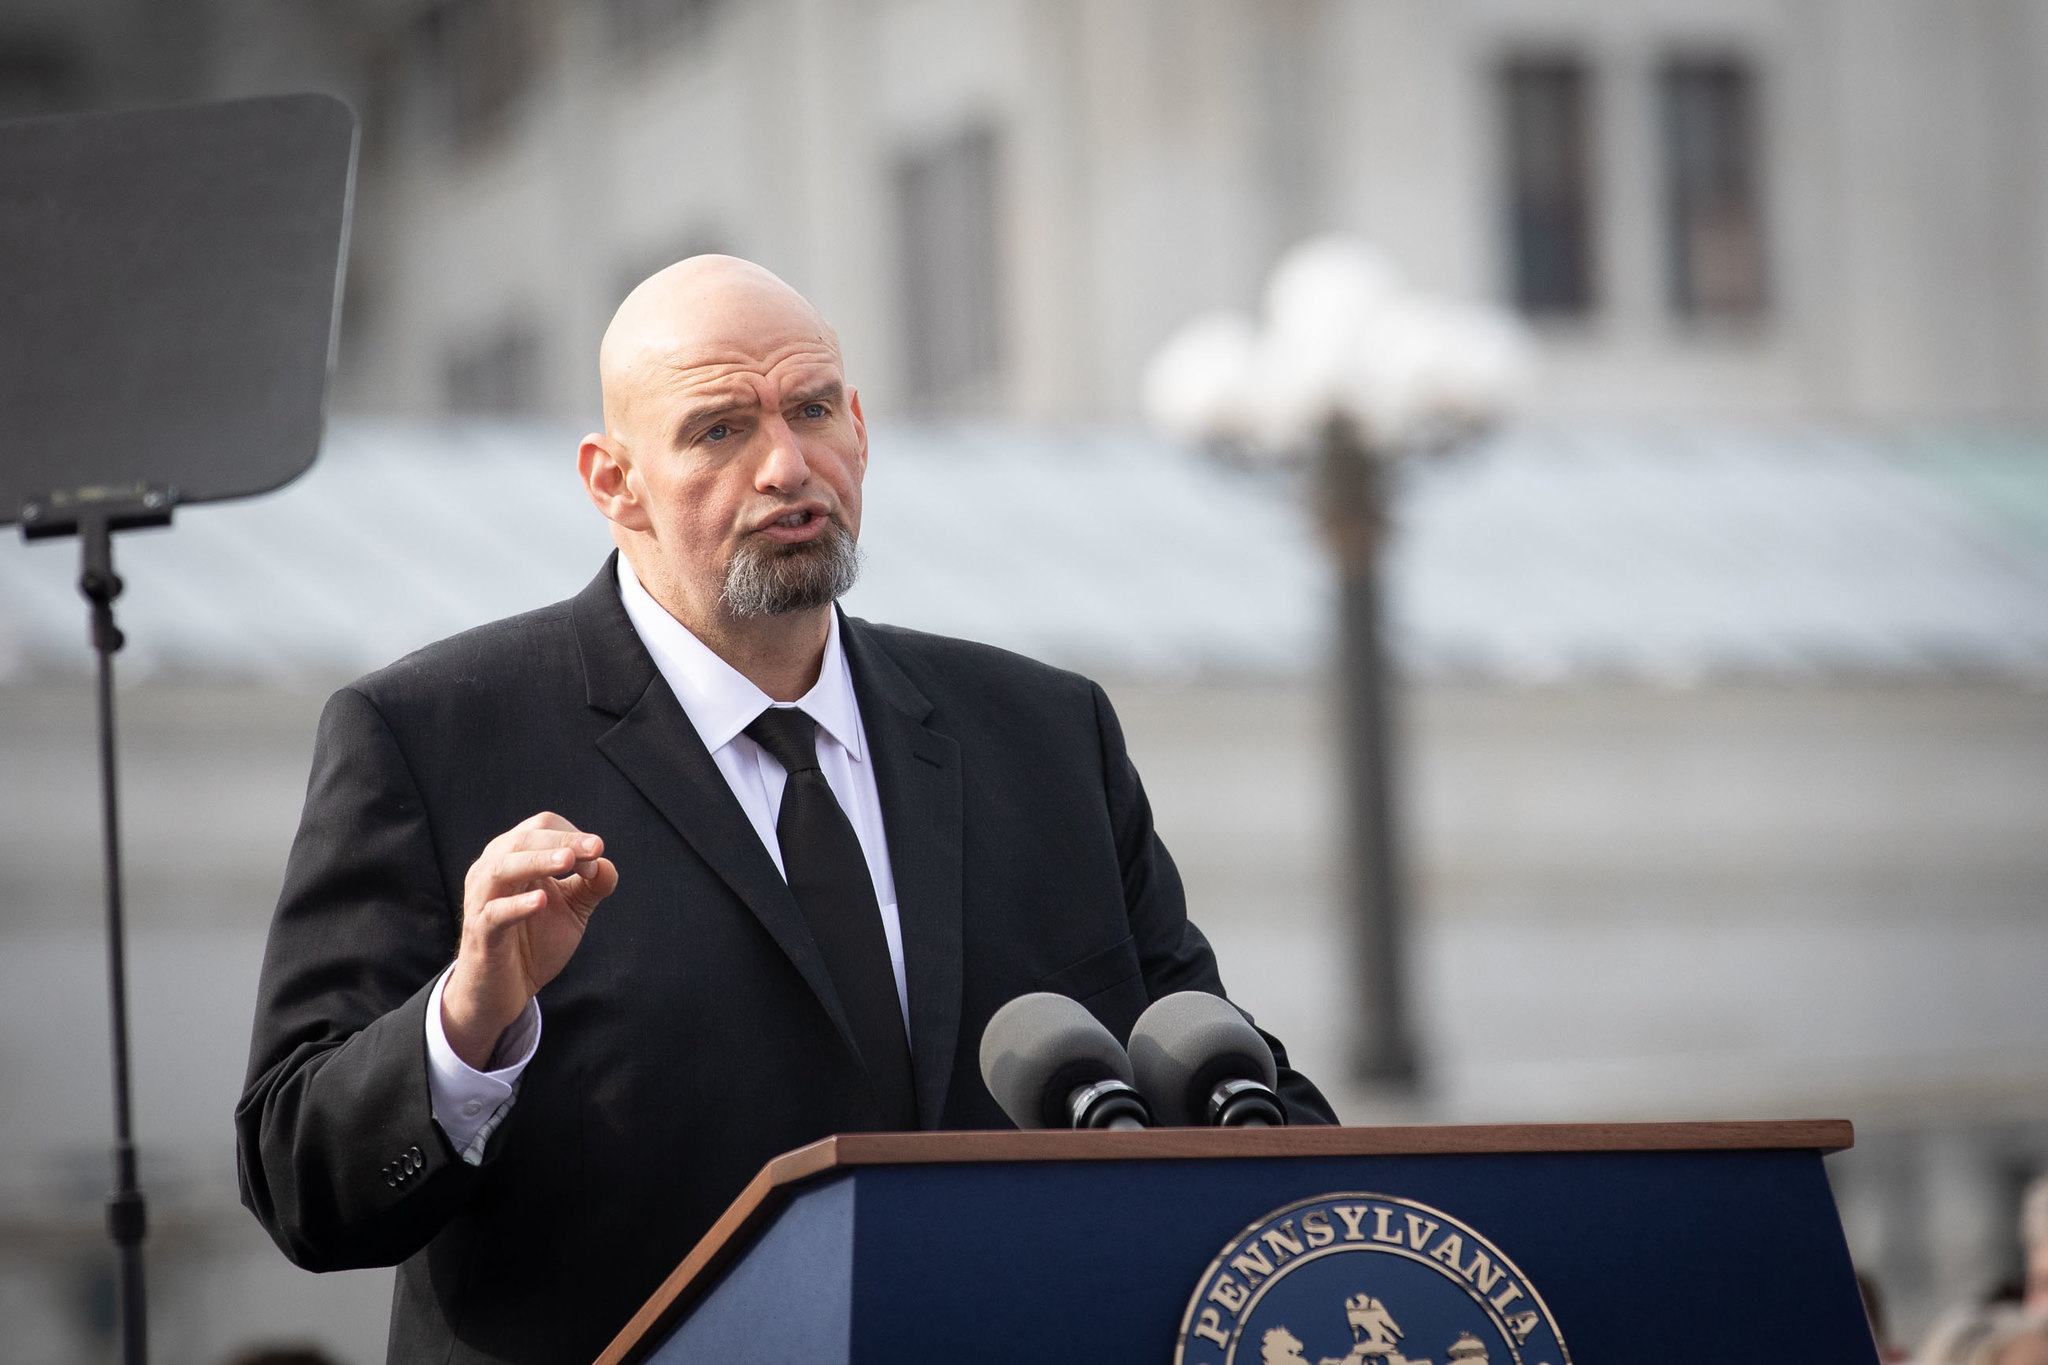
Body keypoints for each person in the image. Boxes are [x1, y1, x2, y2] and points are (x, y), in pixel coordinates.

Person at [236, 256, 1333, 1365]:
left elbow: (1221, 1077)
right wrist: (467, 1025)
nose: (784, 465)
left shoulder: (1045, 735)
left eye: (810, 411)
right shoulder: (432, 735)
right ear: (613, 482)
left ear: (857, 429)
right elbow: (301, 1183)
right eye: (718, 430)